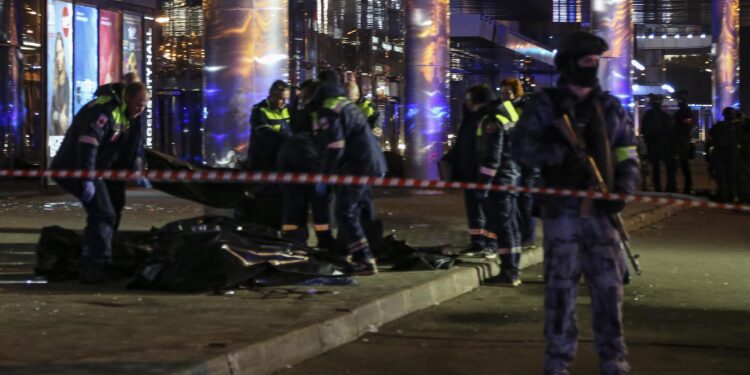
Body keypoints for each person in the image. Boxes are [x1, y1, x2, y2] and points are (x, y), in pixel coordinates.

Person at [511, 31, 640, 375]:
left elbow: (627, 153)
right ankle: (557, 361)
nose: (592, 67)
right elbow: (521, 150)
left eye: (596, 62)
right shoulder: (545, 107)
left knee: (609, 291)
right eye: (585, 61)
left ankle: (613, 357)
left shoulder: (610, 108)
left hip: (601, 213)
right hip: (562, 213)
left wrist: (623, 189)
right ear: (568, 64)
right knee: (560, 292)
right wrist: (558, 156)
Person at [51, 82, 150, 284]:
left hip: (98, 170)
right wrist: (86, 177)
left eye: (144, 105)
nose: (142, 108)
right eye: (139, 104)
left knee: (114, 205)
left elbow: (135, 144)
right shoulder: (105, 109)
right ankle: (95, 267)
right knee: (103, 213)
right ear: (128, 98)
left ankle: (104, 258)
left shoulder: (129, 115)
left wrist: (136, 169)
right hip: (75, 167)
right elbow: (89, 142)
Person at [309, 71, 387, 275]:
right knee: (358, 210)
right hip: (370, 164)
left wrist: (325, 176)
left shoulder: (328, 109)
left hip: (356, 166)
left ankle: (364, 259)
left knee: (345, 212)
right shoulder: (345, 104)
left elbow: (335, 145)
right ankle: (353, 253)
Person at [467, 84, 522, 286]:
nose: (467, 104)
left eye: (469, 100)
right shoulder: (504, 113)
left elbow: (492, 157)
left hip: (500, 181)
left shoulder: (492, 120)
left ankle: (509, 273)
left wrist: (484, 184)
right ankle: (512, 269)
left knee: (504, 226)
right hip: (512, 177)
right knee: (511, 226)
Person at [277, 79, 335, 251]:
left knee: (293, 201)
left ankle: (294, 243)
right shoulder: (321, 109)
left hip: (287, 152)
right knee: (321, 199)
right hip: (308, 153)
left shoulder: (296, 107)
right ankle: (325, 242)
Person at [442, 86, 492, 255]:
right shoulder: (469, 120)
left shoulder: (488, 120)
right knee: (473, 210)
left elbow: (491, 151)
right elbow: (462, 144)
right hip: (470, 173)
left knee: (487, 210)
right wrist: (450, 158)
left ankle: (490, 243)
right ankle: (477, 241)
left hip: (483, 174)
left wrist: (486, 176)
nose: (467, 103)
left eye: (470, 99)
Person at [500, 77, 540, 249]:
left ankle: (528, 237)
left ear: (516, 92)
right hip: (515, 158)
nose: (504, 96)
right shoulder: (506, 107)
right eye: (502, 93)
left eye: (507, 93)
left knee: (525, 198)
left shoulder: (525, 106)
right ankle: (520, 234)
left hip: (530, 159)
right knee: (514, 198)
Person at [247, 80, 293, 171]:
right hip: (262, 162)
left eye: (286, 99)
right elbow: (265, 133)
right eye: (281, 98)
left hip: (281, 158)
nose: (284, 102)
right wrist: (289, 142)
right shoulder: (259, 110)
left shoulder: (287, 109)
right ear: (272, 96)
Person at [641, 94, 677, 192]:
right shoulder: (665, 115)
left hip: (652, 145)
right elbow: (671, 131)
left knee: (655, 168)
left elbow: (643, 131)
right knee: (669, 167)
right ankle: (670, 187)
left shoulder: (647, 115)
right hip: (665, 146)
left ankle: (658, 188)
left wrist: (647, 141)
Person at [708, 107, 743, 203]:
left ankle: (722, 197)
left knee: (721, 176)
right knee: (732, 177)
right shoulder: (737, 127)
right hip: (732, 154)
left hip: (719, 154)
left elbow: (710, 139)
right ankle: (732, 198)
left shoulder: (717, 126)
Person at [672, 90, 695, 194]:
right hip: (681, 140)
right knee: (680, 165)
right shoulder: (684, 111)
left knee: (681, 164)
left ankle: (685, 187)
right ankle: (686, 187)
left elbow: (685, 126)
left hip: (681, 141)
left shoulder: (684, 112)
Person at [51, 32, 71, 135]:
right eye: (56, 53)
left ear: (63, 52)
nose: (58, 58)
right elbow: (52, 113)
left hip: (63, 133)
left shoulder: (66, 81)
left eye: (59, 52)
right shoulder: (54, 82)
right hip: (55, 133)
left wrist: (59, 115)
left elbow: (65, 111)